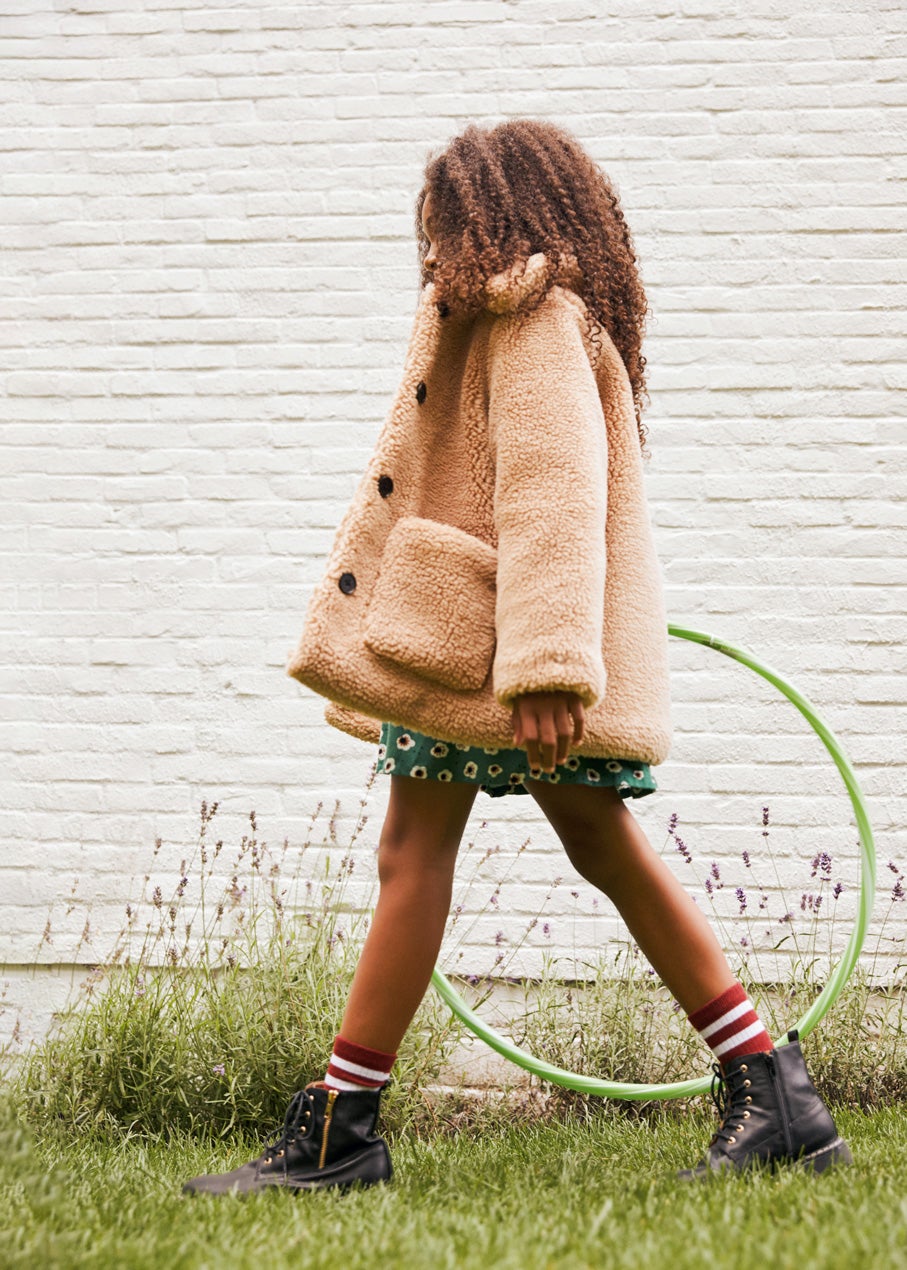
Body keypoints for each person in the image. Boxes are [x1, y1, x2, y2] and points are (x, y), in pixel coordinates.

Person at [183, 118, 851, 1196]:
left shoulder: (532, 312)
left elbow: (551, 495)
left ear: (496, 213)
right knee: (545, 843)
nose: (437, 245)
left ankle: (342, 1132)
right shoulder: (521, 310)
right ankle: (771, 1091)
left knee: (482, 848)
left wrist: (544, 665)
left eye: (449, 221)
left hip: (494, 657)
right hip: (468, 645)